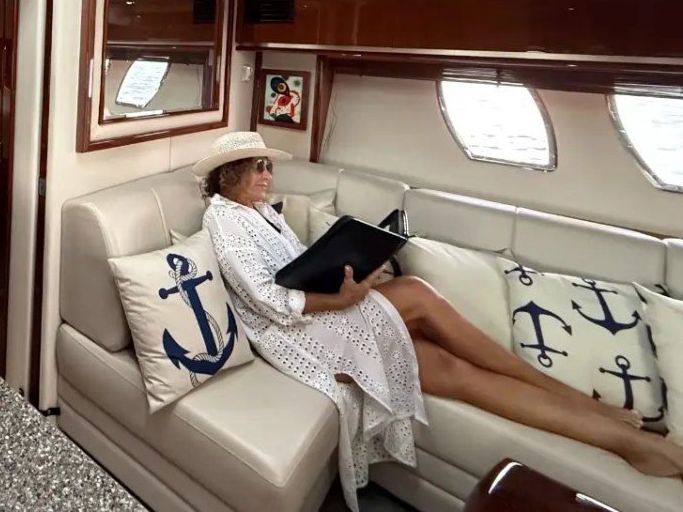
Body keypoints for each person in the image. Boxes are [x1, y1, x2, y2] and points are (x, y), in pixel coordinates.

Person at [194, 132, 683, 511]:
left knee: (453, 371)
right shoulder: (223, 219)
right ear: (229, 174)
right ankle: (576, 400)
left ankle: (620, 436)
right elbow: (270, 301)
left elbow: (300, 267)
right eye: (258, 167)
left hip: (321, 314)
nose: (268, 174)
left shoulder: (261, 212)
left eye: (268, 166)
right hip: (293, 336)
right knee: (417, 296)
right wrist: (345, 300)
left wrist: (357, 270)